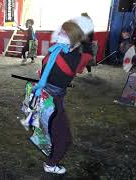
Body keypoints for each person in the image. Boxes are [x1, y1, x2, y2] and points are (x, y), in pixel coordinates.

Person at [35, 16, 94, 174]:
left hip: (43, 98)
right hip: (54, 103)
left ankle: (51, 151)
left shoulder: (51, 53)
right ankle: (51, 164)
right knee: (64, 139)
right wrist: (85, 41)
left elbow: (43, 72)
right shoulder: (75, 58)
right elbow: (89, 57)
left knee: (54, 131)